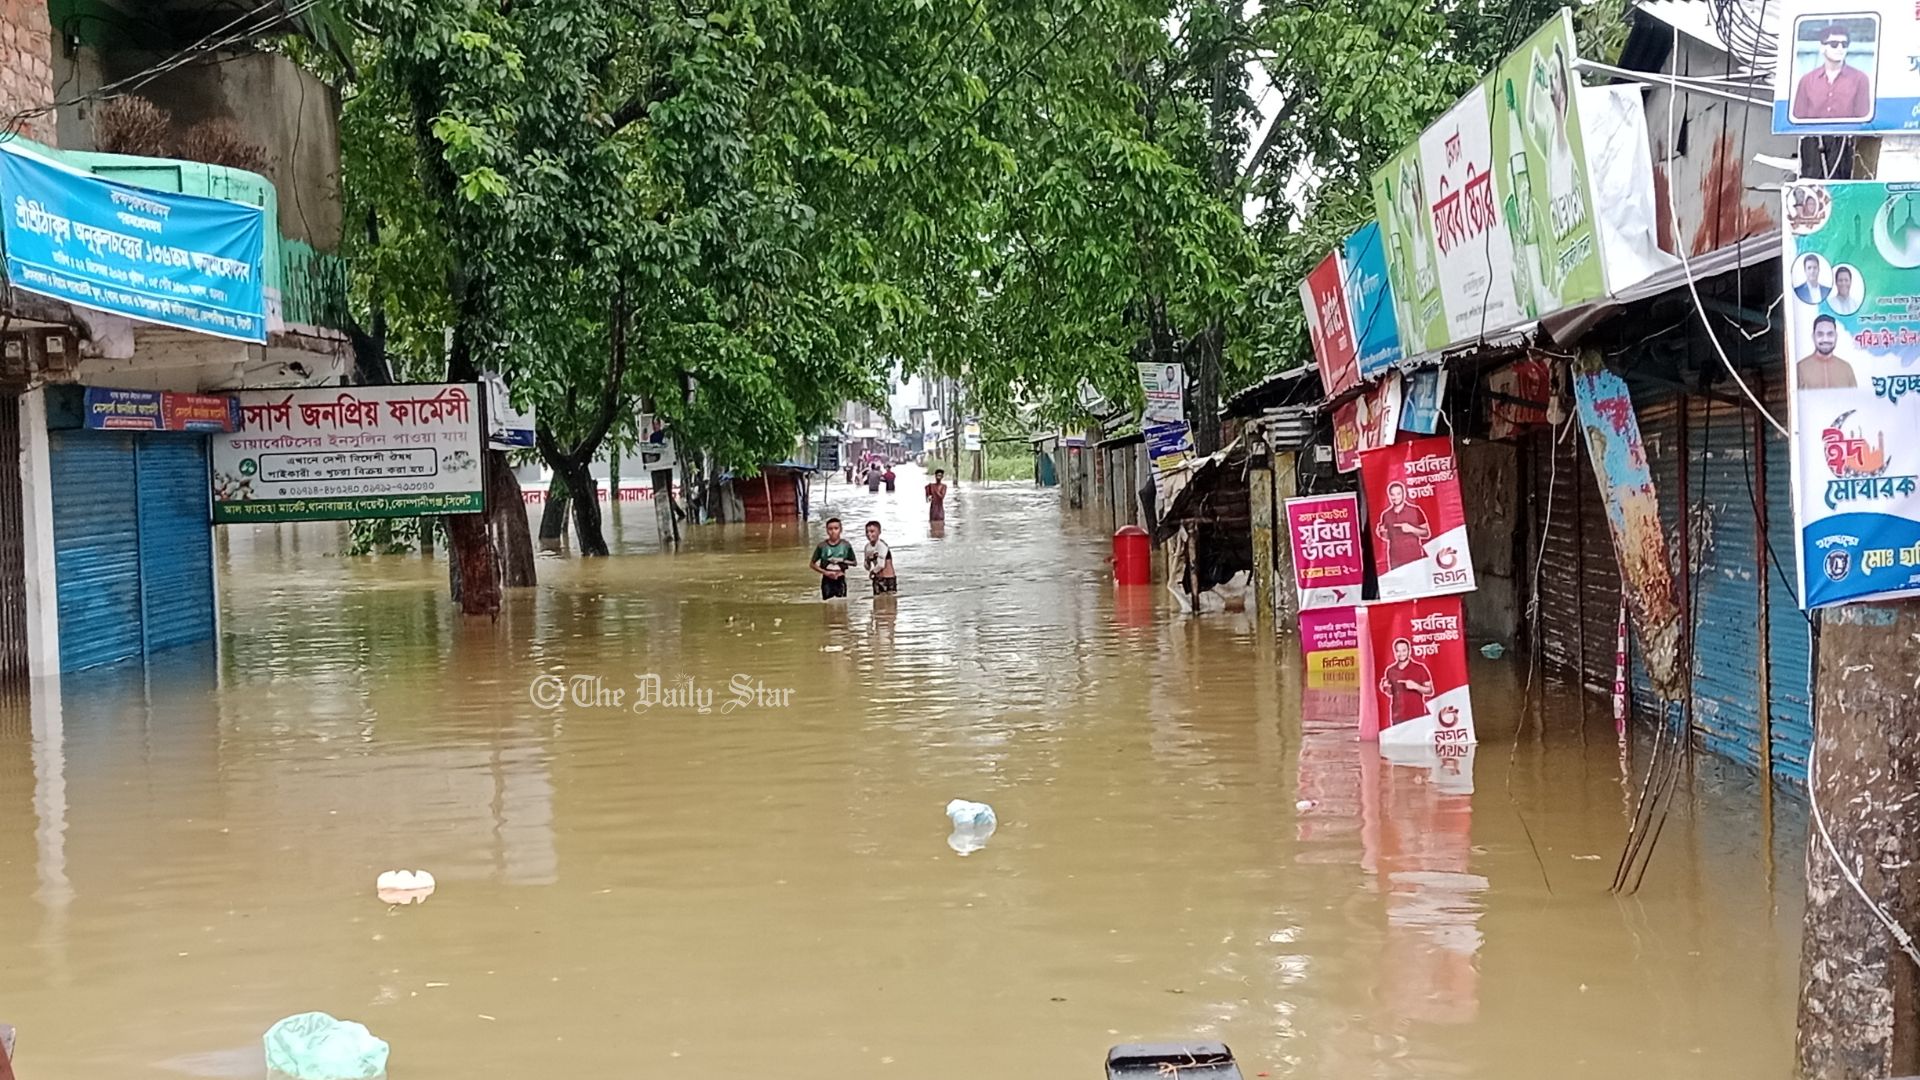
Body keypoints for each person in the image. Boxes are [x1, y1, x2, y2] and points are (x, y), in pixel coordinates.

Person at [1792, 24, 1872, 122]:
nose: (1840, 48)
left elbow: (1863, 120)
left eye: (1844, 44)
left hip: (1847, 136)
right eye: (1834, 44)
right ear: (1822, 48)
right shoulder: (1807, 80)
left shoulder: (1860, 79)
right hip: (1813, 136)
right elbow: (1798, 119)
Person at [1374, 481, 1432, 571]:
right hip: (1395, 560)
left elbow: (1427, 533)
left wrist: (1411, 529)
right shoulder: (1386, 515)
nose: (1395, 497)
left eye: (1398, 494)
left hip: (1414, 558)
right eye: (1392, 494)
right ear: (1389, 496)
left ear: (1403, 494)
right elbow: (1388, 537)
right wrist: (1381, 533)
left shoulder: (1415, 510)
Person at [1378, 637, 1436, 726]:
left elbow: (1430, 691)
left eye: (1404, 650)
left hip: (1416, 715)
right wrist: (1385, 688)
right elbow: (1391, 693)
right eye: (1398, 651)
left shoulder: (1420, 668)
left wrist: (1416, 686)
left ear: (1409, 651)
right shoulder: (1390, 670)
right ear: (1395, 652)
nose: (1401, 654)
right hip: (1397, 716)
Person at [1798, 313, 1858, 389]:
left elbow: (1854, 399)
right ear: (1813, 337)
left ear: (1836, 336)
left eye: (1830, 334)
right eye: (1820, 334)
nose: (1825, 339)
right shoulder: (1800, 368)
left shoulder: (1846, 368)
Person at [809, 517, 856, 601]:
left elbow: (854, 562)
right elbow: (812, 564)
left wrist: (842, 561)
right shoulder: (822, 546)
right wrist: (825, 572)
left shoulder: (846, 545)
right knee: (827, 604)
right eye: (830, 529)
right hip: (827, 579)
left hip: (840, 579)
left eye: (836, 528)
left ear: (841, 530)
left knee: (842, 604)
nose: (833, 531)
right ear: (827, 530)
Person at [863, 520, 897, 595]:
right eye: (867, 532)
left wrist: (873, 572)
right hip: (877, 579)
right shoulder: (867, 547)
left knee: (890, 602)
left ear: (879, 532)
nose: (869, 534)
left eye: (872, 532)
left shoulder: (882, 545)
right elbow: (867, 566)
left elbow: (881, 565)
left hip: (888, 579)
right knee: (877, 602)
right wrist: (868, 561)